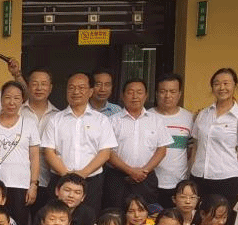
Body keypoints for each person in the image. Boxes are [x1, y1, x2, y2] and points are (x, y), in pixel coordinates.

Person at [41, 72, 116, 211]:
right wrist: (67, 177)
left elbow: (105, 153)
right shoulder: (55, 120)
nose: (76, 92)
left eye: (81, 88)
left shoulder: (102, 120)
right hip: (60, 180)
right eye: (71, 88)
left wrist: (82, 174)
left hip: (91, 181)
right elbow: (49, 152)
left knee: (88, 219)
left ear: (91, 91)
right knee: (57, 218)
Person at [189, 67, 238, 207]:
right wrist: (190, 174)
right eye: (217, 84)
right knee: (198, 217)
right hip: (198, 177)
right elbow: (196, 147)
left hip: (226, 180)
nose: (221, 88)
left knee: (222, 217)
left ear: (235, 86)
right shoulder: (203, 114)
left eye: (226, 83)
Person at [104, 78, 169, 211]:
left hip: (146, 178)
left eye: (139, 92)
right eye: (130, 92)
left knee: (147, 215)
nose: (135, 96)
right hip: (118, 178)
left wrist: (144, 171)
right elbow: (108, 151)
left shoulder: (156, 120)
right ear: (122, 96)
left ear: (146, 96)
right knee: (117, 215)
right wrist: (130, 171)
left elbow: (162, 149)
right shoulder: (111, 121)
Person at [0, 80, 41, 225]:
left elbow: (35, 157)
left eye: (16, 98)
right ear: (1, 99)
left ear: (22, 101)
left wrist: (33, 184)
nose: (12, 102)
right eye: (7, 97)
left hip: (20, 185)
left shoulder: (29, 124)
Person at [152, 73, 192, 209]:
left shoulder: (189, 118)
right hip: (151, 183)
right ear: (156, 94)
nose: (167, 96)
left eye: (172, 91)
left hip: (179, 184)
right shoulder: (147, 116)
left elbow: (191, 150)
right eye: (163, 91)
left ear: (179, 94)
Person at [21, 68, 60, 205]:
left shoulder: (58, 116)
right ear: (28, 86)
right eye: (34, 83)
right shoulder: (18, 112)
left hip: (49, 180)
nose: (39, 88)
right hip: (20, 180)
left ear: (50, 88)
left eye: (43, 84)